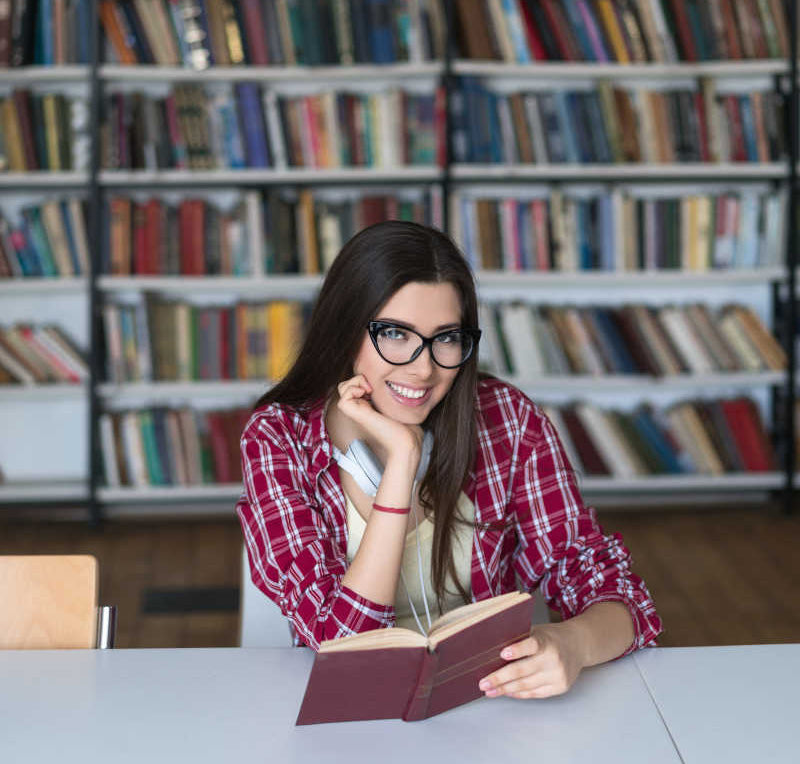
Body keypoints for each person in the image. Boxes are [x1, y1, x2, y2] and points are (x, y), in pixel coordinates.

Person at [236, 220, 662, 700]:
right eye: (395, 334)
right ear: (344, 329)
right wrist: (402, 461)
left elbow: (619, 594)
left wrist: (574, 642)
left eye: (447, 338)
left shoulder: (509, 420)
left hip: (490, 706)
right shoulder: (279, 439)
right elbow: (348, 649)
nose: (424, 367)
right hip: (351, 717)